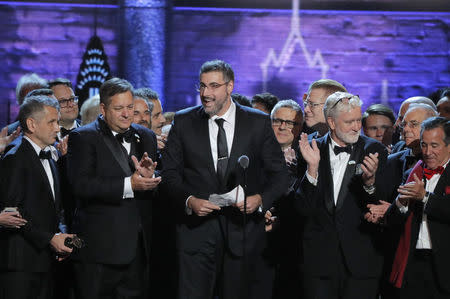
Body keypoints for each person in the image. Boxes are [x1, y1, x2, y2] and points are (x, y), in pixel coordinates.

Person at [162, 59, 288, 299]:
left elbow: (279, 175)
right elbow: (169, 174)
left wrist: (260, 200)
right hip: (196, 235)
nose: (205, 93)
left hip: (243, 235)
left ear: (230, 87)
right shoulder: (184, 121)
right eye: (201, 86)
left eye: (213, 86)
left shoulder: (257, 122)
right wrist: (189, 200)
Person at [67, 78, 161, 299]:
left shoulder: (146, 136)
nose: (127, 114)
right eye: (119, 108)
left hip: (138, 250)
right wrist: (130, 184)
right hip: (99, 252)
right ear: (103, 108)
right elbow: (81, 185)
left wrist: (152, 178)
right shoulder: (83, 137)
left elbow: (157, 184)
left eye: (130, 107)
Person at [296, 91, 387, 299]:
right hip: (318, 263)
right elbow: (302, 209)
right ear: (332, 122)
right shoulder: (311, 148)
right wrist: (312, 169)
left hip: (361, 262)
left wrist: (370, 183)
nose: (357, 126)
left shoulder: (374, 150)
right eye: (349, 122)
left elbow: (382, 206)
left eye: (358, 120)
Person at [0, 95, 74, 299]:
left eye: (57, 121)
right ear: (31, 124)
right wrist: (50, 239)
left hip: (45, 261)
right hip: (20, 263)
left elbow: (55, 207)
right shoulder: (15, 157)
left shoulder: (49, 157)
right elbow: (12, 213)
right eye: (52, 122)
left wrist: (60, 235)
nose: (58, 128)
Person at [386, 117, 450, 299]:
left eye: (434, 145)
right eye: (424, 145)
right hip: (412, 264)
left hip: (445, 267)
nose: (428, 152)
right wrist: (400, 204)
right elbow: (392, 222)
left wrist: (424, 197)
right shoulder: (413, 173)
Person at [265, 99, 304, 298]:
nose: (282, 127)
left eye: (290, 123)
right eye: (277, 121)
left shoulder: (308, 158)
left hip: (292, 242)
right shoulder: (253, 152)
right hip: (257, 236)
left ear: (300, 127)